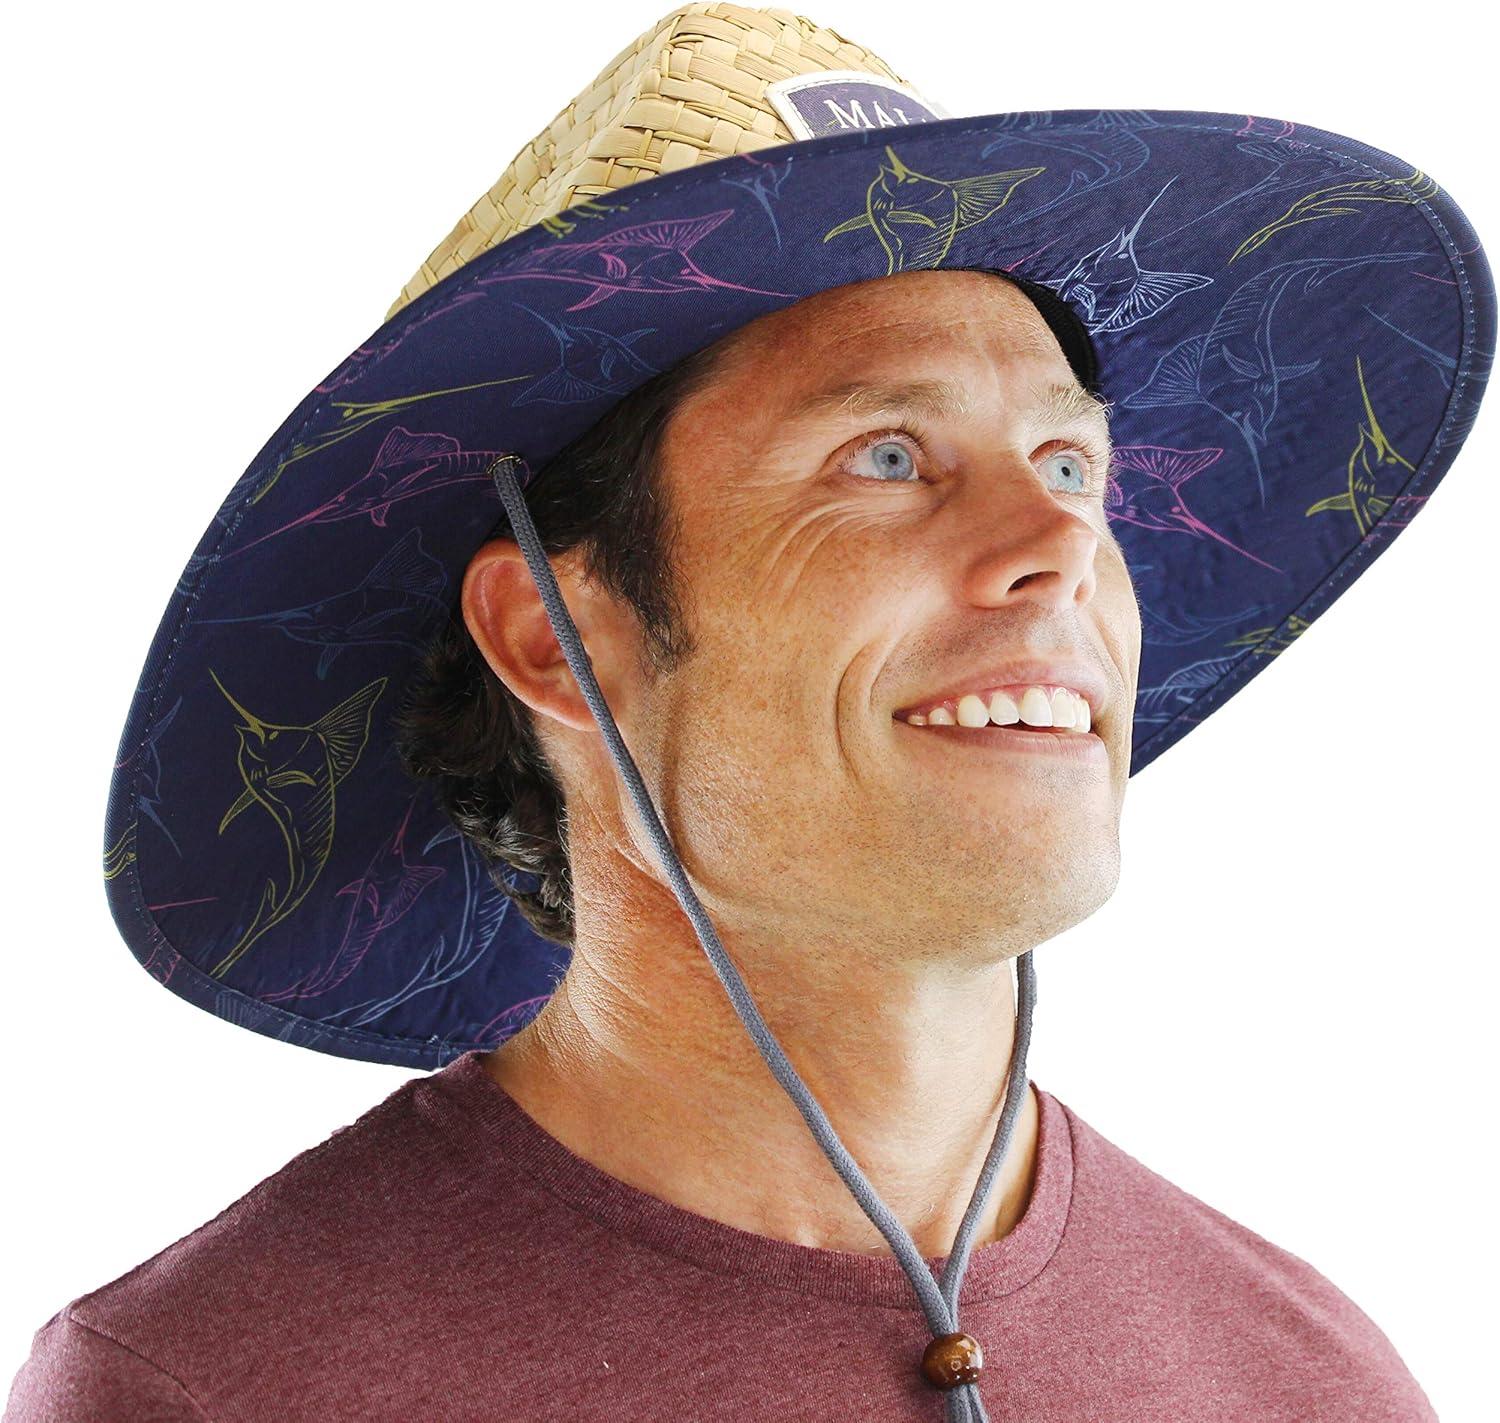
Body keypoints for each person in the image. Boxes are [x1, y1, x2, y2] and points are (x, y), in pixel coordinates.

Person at [7, 4, 1492, 1419]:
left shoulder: (1312, 1382)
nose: (1061, 545)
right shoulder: (211, 1391)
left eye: (1068, 464)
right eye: (890, 458)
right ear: (553, 634)